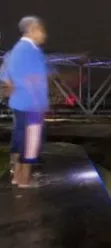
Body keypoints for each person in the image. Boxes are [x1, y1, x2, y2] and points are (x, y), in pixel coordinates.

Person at [4, 16, 49, 188]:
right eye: (42, 29)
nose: (44, 34)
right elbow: (34, 78)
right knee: (30, 142)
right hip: (32, 105)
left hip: (19, 103)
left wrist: (14, 89)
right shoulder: (30, 51)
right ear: (32, 29)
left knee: (19, 139)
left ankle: (16, 177)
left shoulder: (14, 51)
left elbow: (5, 76)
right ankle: (25, 180)